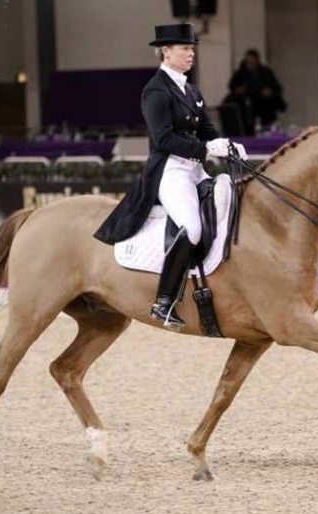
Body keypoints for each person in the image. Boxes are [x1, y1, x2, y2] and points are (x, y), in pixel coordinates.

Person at [94, 23, 247, 329]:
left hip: (195, 169)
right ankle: (163, 301)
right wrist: (207, 149)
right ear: (166, 51)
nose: (191, 54)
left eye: (192, 49)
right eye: (185, 49)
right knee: (191, 227)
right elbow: (163, 139)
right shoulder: (155, 90)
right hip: (170, 170)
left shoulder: (191, 89)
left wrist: (225, 144)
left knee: (232, 204)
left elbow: (206, 130)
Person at [228, 49, 287, 130]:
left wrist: (270, 92)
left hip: (265, 106)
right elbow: (233, 87)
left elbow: (276, 87)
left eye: (253, 63)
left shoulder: (266, 72)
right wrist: (239, 90)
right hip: (246, 107)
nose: (250, 65)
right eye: (248, 62)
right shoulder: (240, 73)